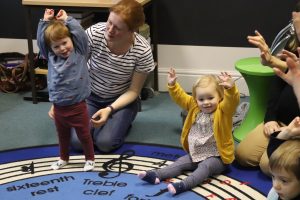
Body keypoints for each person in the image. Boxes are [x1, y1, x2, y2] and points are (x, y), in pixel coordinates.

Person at [69, 0, 155, 153]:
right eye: (109, 22)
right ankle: (104, 123)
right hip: (90, 95)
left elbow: (134, 91)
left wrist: (109, 109)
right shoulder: (94, 33)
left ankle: (122, 121)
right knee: (78, 143)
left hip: (121, 101)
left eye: (118, 28)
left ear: (132, 30)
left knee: (105, 143)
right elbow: (78, 70)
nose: (110, 30)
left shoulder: (142, 51)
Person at [138, 68, 240, 195]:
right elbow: (181, 97)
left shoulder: (223, 110)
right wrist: (172, 85)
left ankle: (184, 185)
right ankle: (156, 174)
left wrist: (230, 89)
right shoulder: (194, 107)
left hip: (218, 158)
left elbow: (232, 101)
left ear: (220, 96)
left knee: (205, 167)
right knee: (180, 162)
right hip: (197, 153)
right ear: (196, 99)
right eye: (201, 99)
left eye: (210, 98)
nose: (206, 102)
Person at [235, 10, 300, 176]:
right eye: (294, 25)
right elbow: (277, 86)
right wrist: (270, 118)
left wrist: (272, 61)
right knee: (243, 155)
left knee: (267, 164)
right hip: (281, 121)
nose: (296, 31)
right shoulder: (293, 47)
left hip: (297, 127)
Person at [37, 9, 95, 171]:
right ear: (51, 49)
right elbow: (42, 42)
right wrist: (44, 21)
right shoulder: (50, 56)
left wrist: (68, 20)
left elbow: (81, 36)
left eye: (65, 42)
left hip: (78, 106)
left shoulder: (79, 52)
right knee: (62, 136)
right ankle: (63, 158)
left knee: (84, 134)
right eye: (56, 46)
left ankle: (90, 158)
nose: (62, 48)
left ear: (71, 40)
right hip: (59, 106)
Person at [266, 117, 300, 200]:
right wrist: (287, 132)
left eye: (284, 181)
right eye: (273, 177)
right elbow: (273, 151)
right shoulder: (278, 193)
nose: (275, 186)